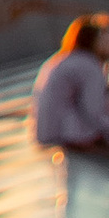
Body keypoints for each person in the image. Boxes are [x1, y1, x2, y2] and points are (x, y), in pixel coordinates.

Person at [33, 18, 109, 158]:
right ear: (94, 40)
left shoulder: (62, 60)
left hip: (48, 135)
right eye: (105, 37)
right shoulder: (89, 66)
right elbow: (94, 113)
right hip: (71, 137)